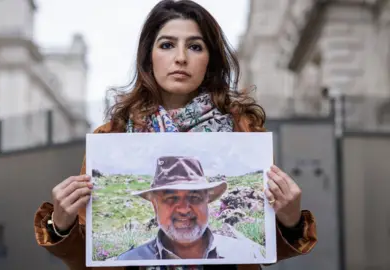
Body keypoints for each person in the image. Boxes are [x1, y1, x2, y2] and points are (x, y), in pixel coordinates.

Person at [33, 1, 317, 270]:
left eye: (195, 46)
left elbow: (259, 253)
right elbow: (91, 260)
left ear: (210, 59)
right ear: (149, 57)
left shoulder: (244, 133)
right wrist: (61, 225)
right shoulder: (112, 138)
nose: (180, 58)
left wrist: (289, 221)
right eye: (167, 45)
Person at [116, 156, 265, 261]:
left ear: (207, 201)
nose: (184, 209)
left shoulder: (247, 253)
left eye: (194, 197)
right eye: (171, 198)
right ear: (155, 206)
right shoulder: (128, 261)